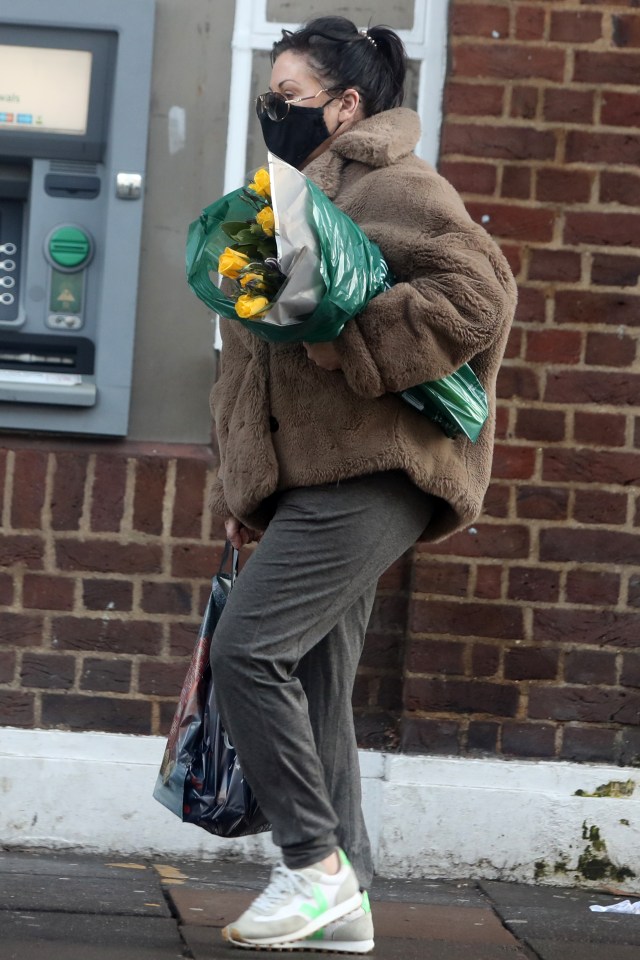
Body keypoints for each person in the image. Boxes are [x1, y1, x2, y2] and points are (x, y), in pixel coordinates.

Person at [208, 15, 517, 954]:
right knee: (312, 677)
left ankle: (312, 866)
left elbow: (479, 296)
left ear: (346, 106)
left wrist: (350, 328)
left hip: (378, 472)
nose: (275, 110)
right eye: (272, 95)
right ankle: (347, 903)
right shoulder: (294, 190)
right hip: (313, 478)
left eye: (291, 96)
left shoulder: (398, 182)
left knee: (248, 650)